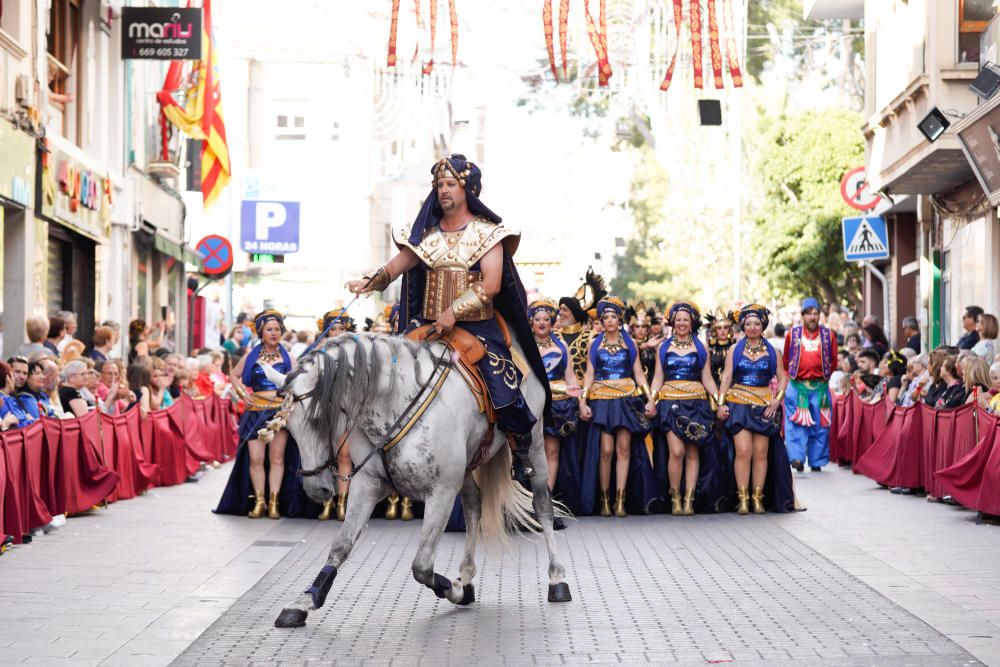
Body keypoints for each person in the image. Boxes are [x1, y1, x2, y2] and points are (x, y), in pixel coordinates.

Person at [346, 153, 551, 490]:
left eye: (450, 184)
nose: (443, 190)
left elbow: (492, 284)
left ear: (467, 189)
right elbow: (396, 267)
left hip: (476, 326)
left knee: (503, 381)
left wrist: (454, 311)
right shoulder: (427, 235)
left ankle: (520, 451)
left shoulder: (489, 234)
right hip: (429, 325)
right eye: (439, 184)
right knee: (390, 369)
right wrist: (370, 281)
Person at [216, 309, 318, 521]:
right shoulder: (250, 356)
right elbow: (233, 375)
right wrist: (244, 395)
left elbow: (299, 382)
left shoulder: (288, 357)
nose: (274, 333)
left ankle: (273, 502)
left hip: (279, 413)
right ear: (261, 332)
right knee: (256, 459)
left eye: (277, 329)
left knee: (277, 458)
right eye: (269, 329)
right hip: (255, 412)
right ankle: (259, 501)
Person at [716, 304, 795, 514]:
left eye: (756, 324)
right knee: (743, 451)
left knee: (761, 453)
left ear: (763, 326)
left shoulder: (772, 351)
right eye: (748, 323)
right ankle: (742, 498)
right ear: (743, 325)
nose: (752, 327)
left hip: (764, 406)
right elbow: (726, 377)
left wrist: (777, 399)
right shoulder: (735, 349)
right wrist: (721, 403)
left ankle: (757, 497)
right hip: (739, 403)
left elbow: (782, 377)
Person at [578, 296, 652, 517]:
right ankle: (604, 499)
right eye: (605, 317)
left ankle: (620, 500)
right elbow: (589, 376)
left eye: (613, 317)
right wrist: (582, 401)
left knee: (624, 449)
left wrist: (649, 398)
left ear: (619, 320)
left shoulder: (630, 343)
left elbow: (638, 374)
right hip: (601, 400)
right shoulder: (595, 343)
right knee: (606, 450)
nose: (609, 321)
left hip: (626, 399)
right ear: (601, 321)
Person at [646, 301, 721, 515]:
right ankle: (675, 497)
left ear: (692, 323)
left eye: (685, 320)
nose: (681, 323)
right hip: (671, 404)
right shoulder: (664, 347)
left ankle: (689, 499)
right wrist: (652, 400)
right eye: (678, 320)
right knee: (676, 452)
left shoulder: (700, 346)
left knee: (692, 452)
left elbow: (707, 378)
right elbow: (658, 378)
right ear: (672, 322)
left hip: (697, 403)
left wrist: (719, 400)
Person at [530, 299, 580, 523]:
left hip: (558, 406)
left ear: (552, 323)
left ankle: (545, 501)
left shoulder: (561, 346)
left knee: (552, 452)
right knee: (532, 453)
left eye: (546, 320)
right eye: (538, 320)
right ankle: (529, 501)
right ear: (531, 323)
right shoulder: (525, 346)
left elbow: (570, 376)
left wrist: (580, 398)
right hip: (533, 404)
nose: (542, 323)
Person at [782, 298, 838, 473]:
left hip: (820, 388)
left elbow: (834, 360)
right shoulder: (792, 334)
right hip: (797, 386)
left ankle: (817, 460)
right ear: (803, 315)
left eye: (816, 313)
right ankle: (796, 458)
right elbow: (786, 359)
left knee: (821, 425)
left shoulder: (829, 335)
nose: (813, 317)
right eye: (809, 314)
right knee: (795, 423)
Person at [316, 308, 358, 521]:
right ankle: (326, 500)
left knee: (344, 455)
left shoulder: (353, 352)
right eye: (334, 329)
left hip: (346, 410)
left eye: (343, 329)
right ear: (326, 331)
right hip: (324, 411)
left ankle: (342, 502)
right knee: (324, 456)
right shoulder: (319, 351)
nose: (338, 333)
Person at [556, 295, 594, 385]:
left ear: (574, 313)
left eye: (565, 310)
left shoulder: (590, 336)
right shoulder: (553, 336)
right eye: (560, 309)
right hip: (557, 393)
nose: (560, 313)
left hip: (582, 390)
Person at [705, 307, 737, 387]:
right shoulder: (709, 348)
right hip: (713, 386)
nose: (723, 331)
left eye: (725, 328)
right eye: (719, 328)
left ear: (729, 330)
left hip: (733, 387)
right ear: (714, 330)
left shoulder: (735, 347)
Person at [0, 361, 30, 430]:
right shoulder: (5, 401)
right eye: (13, 375)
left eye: (25, 373)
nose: (22, 377)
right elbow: (23, 425)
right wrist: (36, 421)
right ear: (8, 378)